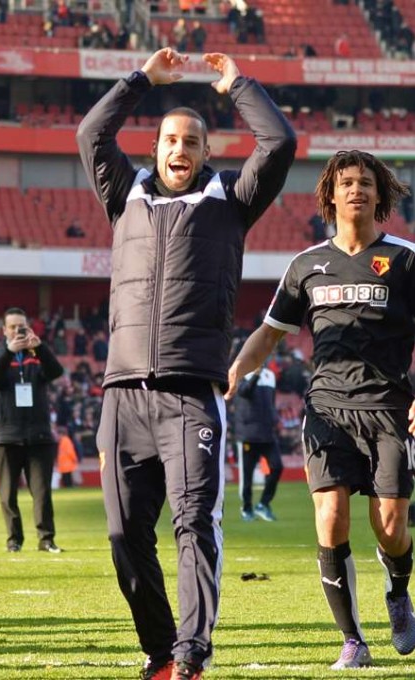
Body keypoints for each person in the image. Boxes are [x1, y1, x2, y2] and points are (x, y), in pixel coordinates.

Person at [76, 48, 296, 680]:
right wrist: (142, 79)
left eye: (192, 141)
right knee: (123, 536)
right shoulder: (125, 194)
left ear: (205, 152)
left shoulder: (232, 200)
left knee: (195, 526)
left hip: (191, 396)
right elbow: (92, 131)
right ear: (156, 148)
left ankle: (191, 655)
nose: (180, 148)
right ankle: (160, 647)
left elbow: (279, 141)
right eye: (170, 139)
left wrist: (235, 85)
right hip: (122, 396)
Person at [227, 150, 415, 670]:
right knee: (330, 517)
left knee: (391, 527)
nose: (356, 189)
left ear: (380, 196)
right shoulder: (306, 265)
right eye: (347, 182)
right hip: (327, 409)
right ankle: (353, 639)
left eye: (366, 183)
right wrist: (237, 367)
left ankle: (398, 593)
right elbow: (270, 332)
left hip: (390, 411)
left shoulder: (405, 259)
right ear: (330, 195)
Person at [0, 307, 64, 554]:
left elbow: (55, 372)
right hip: (7, 435)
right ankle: (14, 540)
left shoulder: (37, 354)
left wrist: (38, 347)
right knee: (8, 494)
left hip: (39, 435)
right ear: (4, 330)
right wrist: (9, 353)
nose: (18, 330)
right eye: (13, 327)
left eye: (22, 326)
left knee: (41, 493)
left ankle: (46, 539)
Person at [232, 360, 283, 522]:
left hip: (267, 433)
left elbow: (271, 403)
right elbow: (245, 392)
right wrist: (255, 375)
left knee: (277, 466)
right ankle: (247, 508)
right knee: (247, 476)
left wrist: (275, 419)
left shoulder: (270, 376)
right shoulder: (240, 374)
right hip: (248, 434)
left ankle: (263, 504)